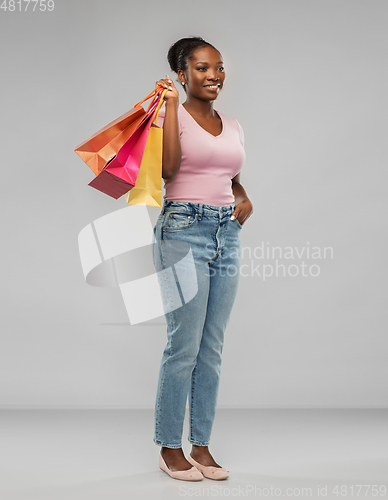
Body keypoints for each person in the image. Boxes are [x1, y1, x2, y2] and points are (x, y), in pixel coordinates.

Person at [152, 36, 253, 481]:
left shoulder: (232, 124)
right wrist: (171, 107)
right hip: (182, 231)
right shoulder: (166, 116)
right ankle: (170, 447)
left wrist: (244, 196)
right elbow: (170, 171)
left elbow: (229, 175)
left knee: (211, 347)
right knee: (183, 345)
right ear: (181, 75)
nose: (214, 75)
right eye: (202, 68)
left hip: (225, 233)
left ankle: (202, 445)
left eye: (219, 67)